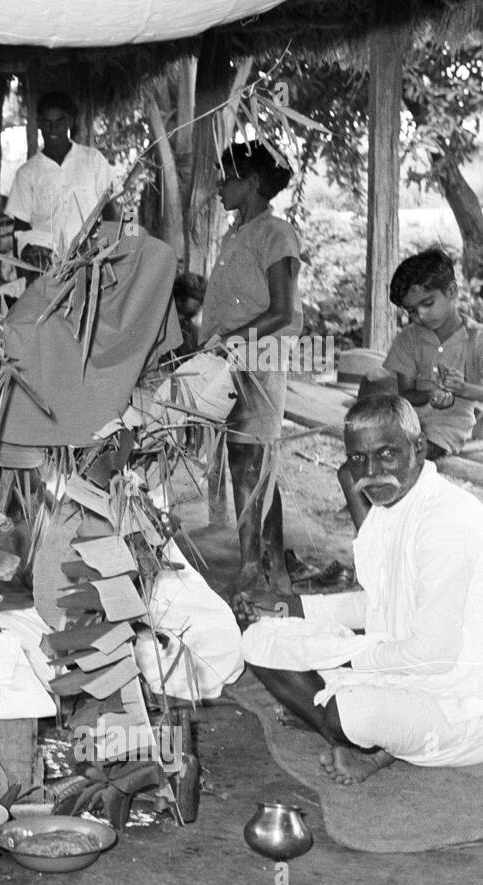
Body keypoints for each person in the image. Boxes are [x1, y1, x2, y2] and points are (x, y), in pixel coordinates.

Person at [237, 394, 483, 784]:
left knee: (352, 712)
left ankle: (359, 740)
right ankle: (352, 734)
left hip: (457, 704)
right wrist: (290, 606)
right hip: (397, 668)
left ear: (417, 448)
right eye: (358, 459)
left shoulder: (448, 522)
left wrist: (343, 660)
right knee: (260, 640)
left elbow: (433, 658)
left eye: (387, 453)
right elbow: (376, 602)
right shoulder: (393, 505)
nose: (371, 471)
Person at [187, 140, 302, 594]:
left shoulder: (277, 234)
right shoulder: (237, 233)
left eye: (226, 179)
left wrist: (226, 344)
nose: (218, 187)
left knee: (252, 464)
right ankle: (268, 564)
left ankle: (254, 569)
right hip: (232, 360)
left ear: (251, 183)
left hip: (257, 361)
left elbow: (282, 313)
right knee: (252, 464)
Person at [368, 249, 483, 463]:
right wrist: (429, 394)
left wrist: (463, 389)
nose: (420, 315)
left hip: (448, 429)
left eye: (428, 303)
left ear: (452, 291)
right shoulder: (409, 338)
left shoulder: (477, 339)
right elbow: (407, 393)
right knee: (369, 448)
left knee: (411, 456)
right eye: (411, 310)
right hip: (407, 421)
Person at [6, 91, 115, 274]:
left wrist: (115, 250)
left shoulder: (92, 160)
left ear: (71, 122)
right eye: (47, 122)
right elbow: (20, 230)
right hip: (48, 268)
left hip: (91, 262)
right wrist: (24, 273)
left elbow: (111, 211)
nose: (53, 129)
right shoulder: (27, 173)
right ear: (38, 123)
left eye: (60, 122)